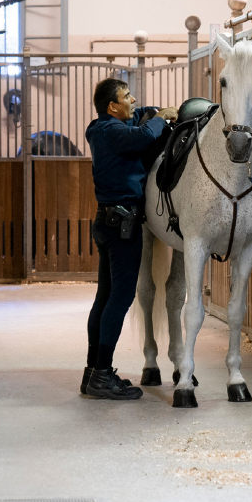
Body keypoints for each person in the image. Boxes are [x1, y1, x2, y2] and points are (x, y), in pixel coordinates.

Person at [81, 78, 178, 400]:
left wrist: (152, 112)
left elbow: (140, 119)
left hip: (108, 222)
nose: (133, 100)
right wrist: (161, 119)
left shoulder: (101, 128)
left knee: (105, 298)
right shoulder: (114, 134)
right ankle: (102, 375)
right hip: (122, 226)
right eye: (127, 96)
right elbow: (143, 135)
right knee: (120, 300)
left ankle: (92, 372)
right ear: (112, 105)